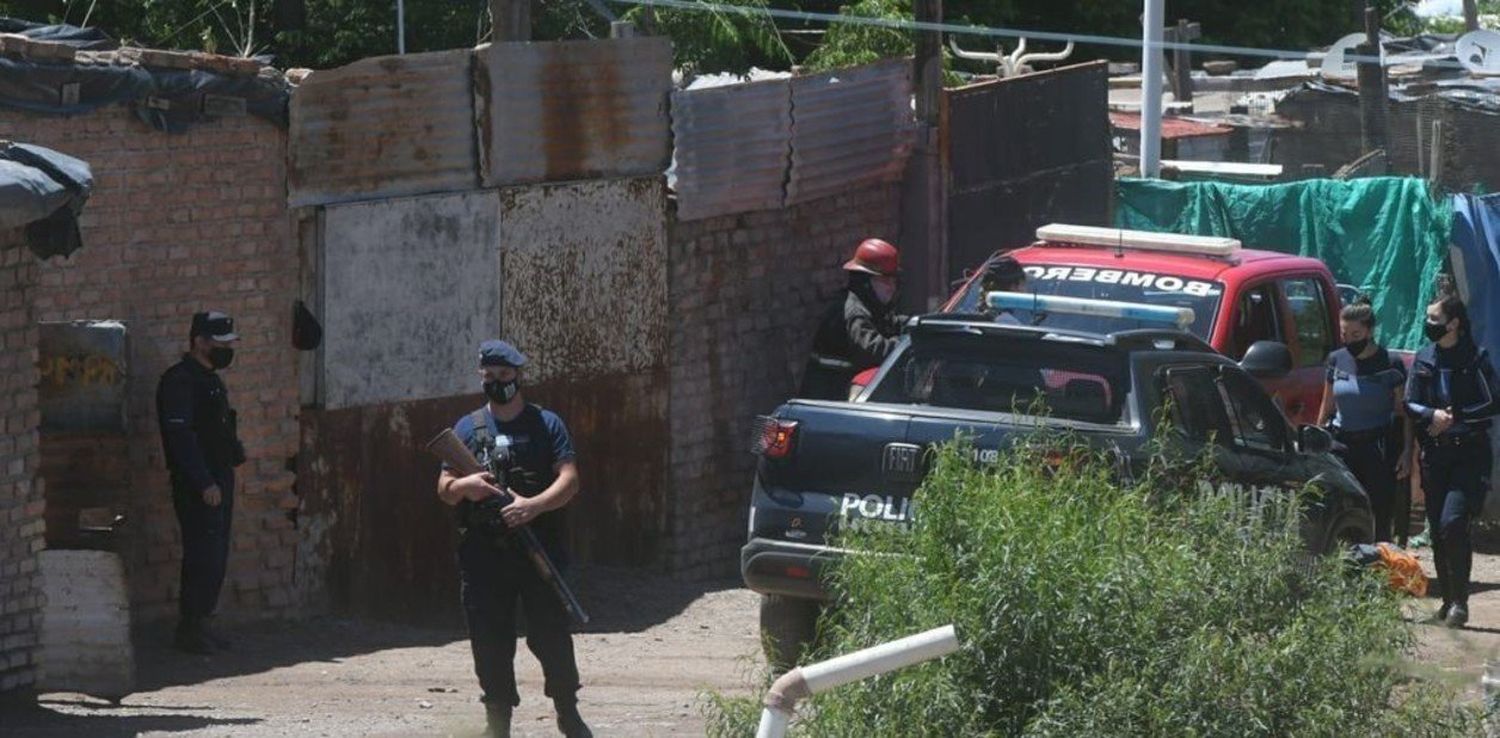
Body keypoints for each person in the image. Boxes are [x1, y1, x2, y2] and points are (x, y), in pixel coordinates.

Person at [436, 340, 591, 738]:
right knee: (490, 641)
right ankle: (497, 722)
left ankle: (567, 712)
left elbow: (569, 480)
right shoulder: (467, 429)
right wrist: (465, 484)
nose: (496, 383)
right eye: (488, 377)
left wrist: (533, 506)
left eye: (503, 376)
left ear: (518, 376)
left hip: (537, 548)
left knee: (551, 634)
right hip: (484, 555)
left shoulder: (545, 424)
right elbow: (445, 488)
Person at [1406, 291, 1499, 628]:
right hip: (1435, 454)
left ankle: (1461, 602)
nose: (1429, 325)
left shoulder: (1475, 358)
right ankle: (1447, 602)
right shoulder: (1426, 357)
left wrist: (1455, 415)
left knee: (1453, 523)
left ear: (1454, 323)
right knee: (1437, 529)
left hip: (1469, 453)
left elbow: (1492, 402)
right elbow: (1410, 402)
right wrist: (1432, 413)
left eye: (1435, 320)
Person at [155, 311, 245, 654]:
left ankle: (202, 623)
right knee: (201, 555)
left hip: (219, 477)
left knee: (216, 554)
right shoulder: (179, 382)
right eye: (219, 344)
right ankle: (190, 628)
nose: (225, 350)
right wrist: (204, 482)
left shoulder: (210, 379)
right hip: (199, 482)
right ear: (199, 342)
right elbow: (181, 438)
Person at [1317, 297, 1413, 544]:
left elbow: (1403, 412)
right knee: (1342, 508)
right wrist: (1315, 440)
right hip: (1342, 445)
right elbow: (1327, 405)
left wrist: (1406, 451)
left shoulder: (1390, 365)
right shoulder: (1336, 359)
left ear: (1369, 331)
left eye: (1355, 334)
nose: (1349, 340)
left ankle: (1380, 566)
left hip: (1377, 449)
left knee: (1379, 511)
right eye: (1344, 333)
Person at [799, 238, 908, 400]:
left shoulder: (869, 305)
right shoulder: (854, 312)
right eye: (885, 281)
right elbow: (872, 350)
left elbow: (890, 323)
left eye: (893, 280)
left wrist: (916, 325)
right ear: (865, 282)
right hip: (831, 401)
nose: (892, 287)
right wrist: (907, 346)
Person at [977, 255, 1030, 325]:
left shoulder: (966, 320)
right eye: (1023, 284)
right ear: (1013, 287)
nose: (1026, 291)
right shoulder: (1009, 323)